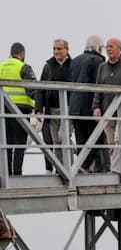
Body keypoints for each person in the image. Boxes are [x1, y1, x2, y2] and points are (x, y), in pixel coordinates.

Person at [91, 38, 121, 173]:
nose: (108, 49)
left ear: (119, 49)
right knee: (111, 142)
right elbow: (98, 89)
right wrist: (96, 107)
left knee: (120, 140)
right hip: (107, 110)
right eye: (107, 47)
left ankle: (115, 170)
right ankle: (119, 167)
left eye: (111, 46)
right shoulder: (102, 67)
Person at [34, 39, 73, 173]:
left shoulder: (73, 65)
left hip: (67, 108)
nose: (56, 51)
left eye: (59, 49)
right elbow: (40, 89)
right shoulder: (48, 66)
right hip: (52, 109)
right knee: (56, 142)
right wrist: (39, 109)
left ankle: (70, 168)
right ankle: (60, 169)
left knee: (64, 137)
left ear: (67, 50)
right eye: (54, 49)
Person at [69, 36, 105, 173]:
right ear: (98, 47)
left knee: (81, 139)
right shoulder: (98, 61)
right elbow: (98, 84)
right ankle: (84, 165)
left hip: (75, 105)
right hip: (89, 105)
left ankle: (81, 166)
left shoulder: (75, 60)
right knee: (96, 138)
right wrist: (98, 105)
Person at [1, 42, 37, 176]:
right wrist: (39, 106)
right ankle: (17, 173)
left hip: (3, 110)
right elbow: (33, 89)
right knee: (20, 143)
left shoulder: (1, 66)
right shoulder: (24, 67)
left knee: (7, 143)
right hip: (20, 110)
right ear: (22, 54)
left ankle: (6, 173)